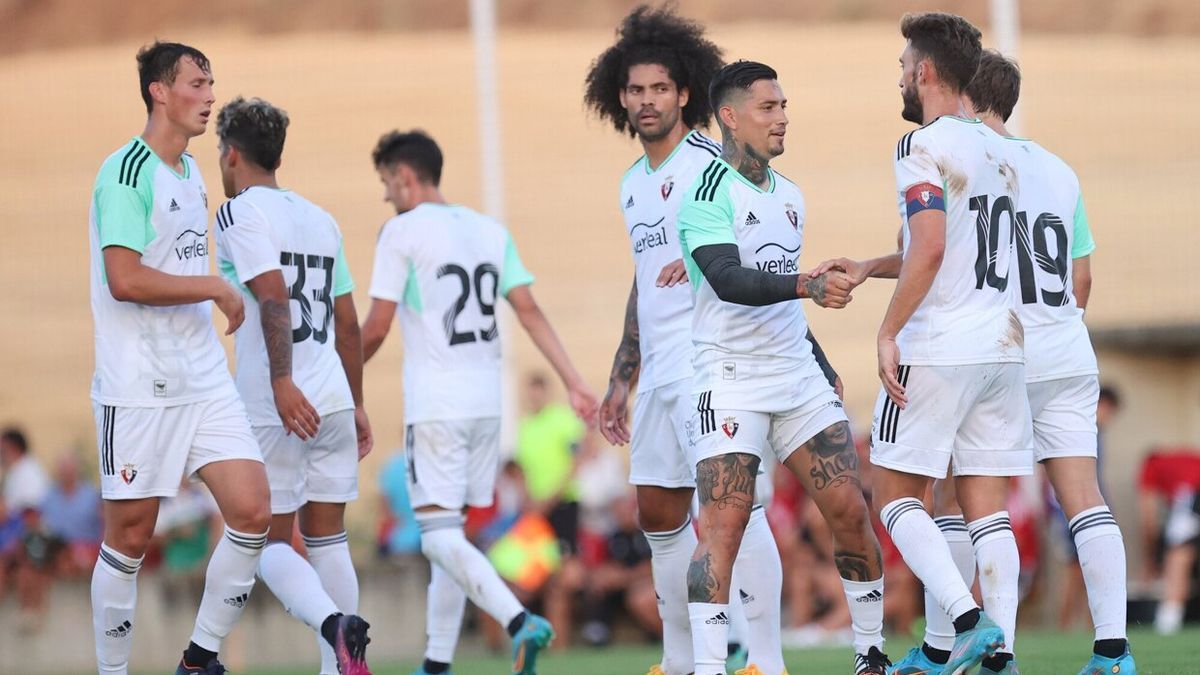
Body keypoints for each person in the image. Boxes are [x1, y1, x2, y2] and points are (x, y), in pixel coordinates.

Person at [810, 14, 1029, 674]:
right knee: (981, 507)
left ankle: (968, 624)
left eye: (905, 66)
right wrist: (872, 266)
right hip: (1003, 346)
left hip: (941, 344)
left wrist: (887, 330)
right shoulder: (1003, 149)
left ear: (926, 72)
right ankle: (998, 657)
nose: (901, 77)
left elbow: (930, 248)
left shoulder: (920, 145)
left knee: (896, 493)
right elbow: (938, 246)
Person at [583, 8, 790, 674]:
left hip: (714, 363)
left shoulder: (712, 166)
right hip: (660, 373)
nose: (647, 101)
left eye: (660, 89)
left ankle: (763, 659)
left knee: (736, 510)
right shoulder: (631, 185)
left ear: (683, 94)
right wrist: (622, 376)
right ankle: (677, 660)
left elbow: (763, 254)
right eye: (636, 90)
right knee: (658, 515)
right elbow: (643, 282)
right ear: (622, 96)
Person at [675, 60, 889, 675]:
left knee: (849, 508)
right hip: (729, 376)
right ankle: (713, 667)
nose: (782, 117)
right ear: (730, 116)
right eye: (768, 108)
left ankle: (870, 654)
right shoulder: (706, 193)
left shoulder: (790, 194)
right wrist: (808, 286)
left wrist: (820, 362)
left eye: (784, 105)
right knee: (725, 523)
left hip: (794, 372)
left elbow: (783, 301)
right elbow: (729, 280)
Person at [360, 129, 598, 675]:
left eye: (386, 183)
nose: (385, 196)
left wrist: (345, 382)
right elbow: (529, 309)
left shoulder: (401, 231)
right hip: (487, 404)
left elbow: (374, 327)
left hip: (438, 404)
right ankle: (437, 662)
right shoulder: (490, 231)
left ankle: (519, 621)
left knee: (438, 538)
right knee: (451, 535)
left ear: (404, 176)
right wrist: (574, 380)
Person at [87, 41, 271, 675]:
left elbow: (185, 260)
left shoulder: (191, 173)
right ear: (159, 92)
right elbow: (125, 279)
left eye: (213, 82)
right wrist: (216, 289)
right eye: (198, 82)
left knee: (252, 512)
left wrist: (231, 287)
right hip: (138, 386)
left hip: (202, 380)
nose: (211, 95)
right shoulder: (124, 173)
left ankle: (198, 659)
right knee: (130, 539)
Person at [213, 95, 373, 675]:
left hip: (276, 402)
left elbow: (273, 293)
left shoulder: (236, 214)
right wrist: (355, 404)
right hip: (331, 396)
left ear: (231, 155)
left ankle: (335, 628)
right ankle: (342, 665)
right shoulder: (320, 217)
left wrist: (281, 381)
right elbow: (348, 323)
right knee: (328, 539)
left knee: (268, 543)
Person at [1138, 447, 1200, 636]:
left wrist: (1151, 559)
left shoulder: (1150, 465)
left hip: (1194, 495)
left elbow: (1148, 519)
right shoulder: (1185, 460)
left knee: (1177, 555)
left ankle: (1168, 620)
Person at [0, 428, 50, 514]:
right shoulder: (16, 471)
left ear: (13, 448)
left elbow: (31, 510)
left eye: (2, 451)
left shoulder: (30, 474)